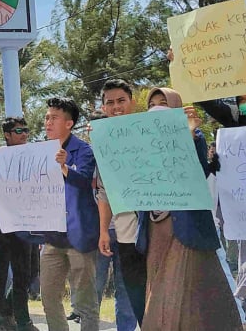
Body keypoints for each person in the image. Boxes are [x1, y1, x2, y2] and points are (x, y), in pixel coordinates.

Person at [136, 87, 243, 331]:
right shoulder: (140, 146)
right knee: (158, 287)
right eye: (152, 104)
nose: (157, 107)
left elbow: (197, 173)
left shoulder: (194, 136)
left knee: (182, 288)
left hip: (185, 225)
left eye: (163, 102)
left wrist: (189, 130)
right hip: (155, 227)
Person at [40, 97, 100, 331]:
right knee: (49, 297)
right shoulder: (39, 152)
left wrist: (65, 167)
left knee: (84, 301)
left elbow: (85, 181)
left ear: (69, 123)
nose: (47, 122)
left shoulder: (83, 150)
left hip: (79, 236)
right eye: (46, 118)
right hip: (52, 237)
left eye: (53, 118)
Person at [98, 79, 146, 326]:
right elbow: (104, 191)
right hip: (125, 232)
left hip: (157, 230)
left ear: (132, 102)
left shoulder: (151, 130)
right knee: (133, 294)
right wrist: (104, 230)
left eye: (121, 101)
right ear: (103, 107)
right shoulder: (102, 141)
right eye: (110, 103)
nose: (116, 107)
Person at [90, 109, 138, 331]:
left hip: (127, 232)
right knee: (94, 288)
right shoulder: (84, 157)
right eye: (93, 130)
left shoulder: (129, 153)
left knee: (126, 288)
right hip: (99, 234)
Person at [0, 116, 39, 331]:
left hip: (25, 227)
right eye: (19, 131)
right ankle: (3, 321)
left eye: (26, 130)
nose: (24, 134)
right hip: (0, 228)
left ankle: (17, 316)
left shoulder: (36, 157)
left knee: (26, 275)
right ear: (7, 135)